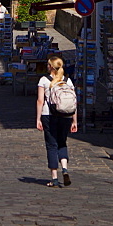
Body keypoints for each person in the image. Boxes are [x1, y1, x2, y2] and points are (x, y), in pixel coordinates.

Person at [36, 55, 77, 187]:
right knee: (62, 142)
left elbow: (40, 101)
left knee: (51, 144)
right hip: (66, 116)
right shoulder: (68, 81)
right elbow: (74, 102)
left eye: (48, 65)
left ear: (51, 67)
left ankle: (54, 178)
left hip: (49, 115)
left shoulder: (44, 80)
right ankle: (64, 169)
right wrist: (74, 120)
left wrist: (38, 118)